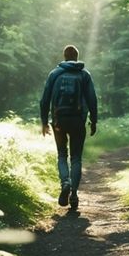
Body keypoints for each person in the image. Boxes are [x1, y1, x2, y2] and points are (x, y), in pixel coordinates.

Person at [39, 45, 99, 212]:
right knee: (76, 158)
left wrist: (44, 121)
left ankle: (65, 182)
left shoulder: (54, 74)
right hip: (78, 121)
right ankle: (73, 193)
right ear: (77, 57)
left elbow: (44, 100)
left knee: (62, 154)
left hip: (59, 121)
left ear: (64, 57)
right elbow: (92, 100)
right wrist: (94, 121)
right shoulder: (84, 74)